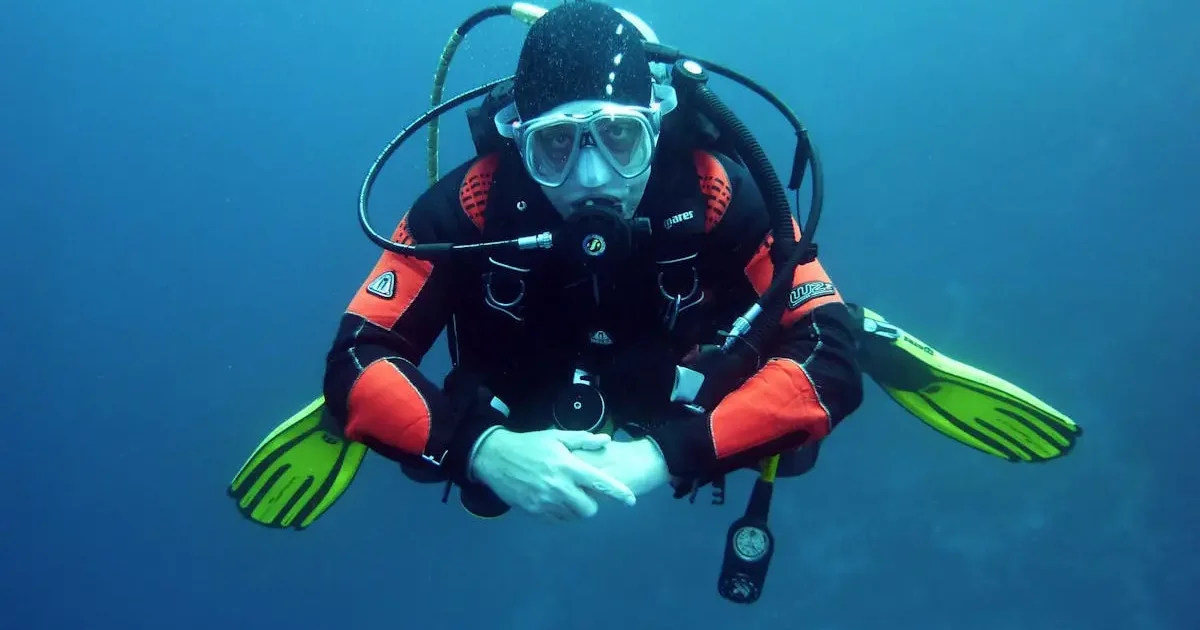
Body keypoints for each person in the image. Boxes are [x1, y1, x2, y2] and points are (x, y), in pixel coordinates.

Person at [319, 1, 863, 522]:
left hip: (680, 379)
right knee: (439, 462)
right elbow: (355, 355)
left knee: (791, 449)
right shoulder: (471, 205)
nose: (593, 177)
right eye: (555, 144)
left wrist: (665, 454)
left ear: (656, 126)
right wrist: (480, 449)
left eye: (620, 135)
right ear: (519, 142)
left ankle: (863, 326)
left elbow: (830, 352)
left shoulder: (714, 191)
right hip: (523, 387)